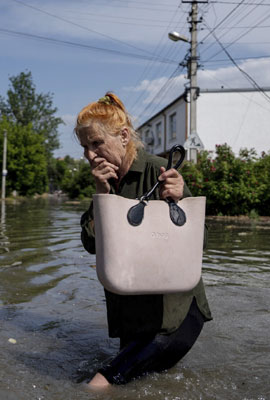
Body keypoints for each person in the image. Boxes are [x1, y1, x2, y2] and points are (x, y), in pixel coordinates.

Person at [76, 92, 213, 388]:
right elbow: (91, 246)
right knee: (141, 386)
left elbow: (199, 242)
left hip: (174, 316)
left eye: (96, 143)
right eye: (84, 147)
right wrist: (101, 195)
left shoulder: (157, 171)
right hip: (133, 317)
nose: (89, 154)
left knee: (99, 386)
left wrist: (179, 197)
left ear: (124, 136)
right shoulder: (107, 181)